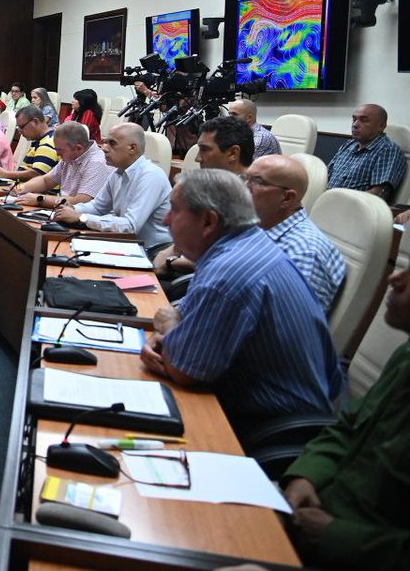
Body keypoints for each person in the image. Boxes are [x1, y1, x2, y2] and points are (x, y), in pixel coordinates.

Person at [141, 169, 343, 436]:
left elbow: (183, 369)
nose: (165, 219)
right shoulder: (240, 246)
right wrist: (172, 334)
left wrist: (169, 332)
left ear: (208, 221)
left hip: (269, 426)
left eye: (175, 210)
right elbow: (183, 316)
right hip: (250, 401)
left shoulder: (227, 271)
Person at [279, 265, 410, 570]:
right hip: (308, 515)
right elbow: (348, 426)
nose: (394, 277)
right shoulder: (405, 356)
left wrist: (333, 535)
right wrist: (305, 476)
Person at [54, 122, 173, 256]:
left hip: (154, 252)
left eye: (112, 143)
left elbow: (130, 226)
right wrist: (72, 209)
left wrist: (81, 217)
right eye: (105, 142)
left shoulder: (150, 176)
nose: (104, 148)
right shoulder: (117, 173)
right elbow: (98, 207)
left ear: (132, 148)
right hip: (130, 245)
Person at [247, 155, 346, 314]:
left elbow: (285, 323)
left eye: (256, 182)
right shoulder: (261, 225)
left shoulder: (304, 254)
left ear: (287, 198)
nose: (244, 187)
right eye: (245, 178)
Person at [8, 121, 111, 208]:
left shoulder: (96, 163)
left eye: (60, 150)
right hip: (64, 210)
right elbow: (46, 181)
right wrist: (22, 188)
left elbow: (82, 201)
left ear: (79, 148)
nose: (57, 154)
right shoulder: (70, 156)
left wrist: (41, 199)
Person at [327, 104, 406, 202]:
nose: (355, 125)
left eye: (363, 120)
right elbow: (326, 177)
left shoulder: (387, 150)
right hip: (327, 201)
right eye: (354, 119)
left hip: (353, 206)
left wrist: (340, 201)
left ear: (381, 126)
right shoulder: (348, 145)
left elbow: (379, 193)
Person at [0, 106, 59, 183]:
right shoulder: (40, 141)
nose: (19, 132)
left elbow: (36, 173)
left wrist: (6, 174)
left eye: (21, 127)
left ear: (35, 122)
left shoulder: (47, 143)